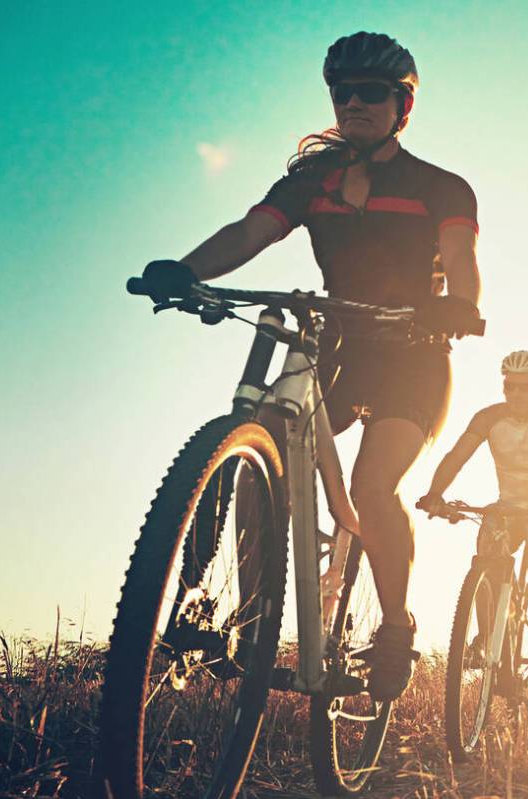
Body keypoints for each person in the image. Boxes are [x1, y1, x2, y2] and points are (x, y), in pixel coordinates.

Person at [137, 31, 482, 701]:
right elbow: (248, 232)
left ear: (401, 107)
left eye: (371, 93)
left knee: (373, 483)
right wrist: (184, 269)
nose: (353, 102)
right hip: (341, 348)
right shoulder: (311, 185)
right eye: (342, 91)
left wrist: (460, 306)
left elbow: (462, 260)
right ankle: (247, 618)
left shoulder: (440, 187)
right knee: (259, 437)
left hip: (413, 355)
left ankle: (394, 624)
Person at [419, 351, 528, 711]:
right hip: (507, 509)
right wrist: (435, 493)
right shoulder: (489, 418)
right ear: (504, 386)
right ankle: (487, 636)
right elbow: (456, 456)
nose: (517, 395)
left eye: (526, 388)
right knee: (484, 562)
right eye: (511, 387)